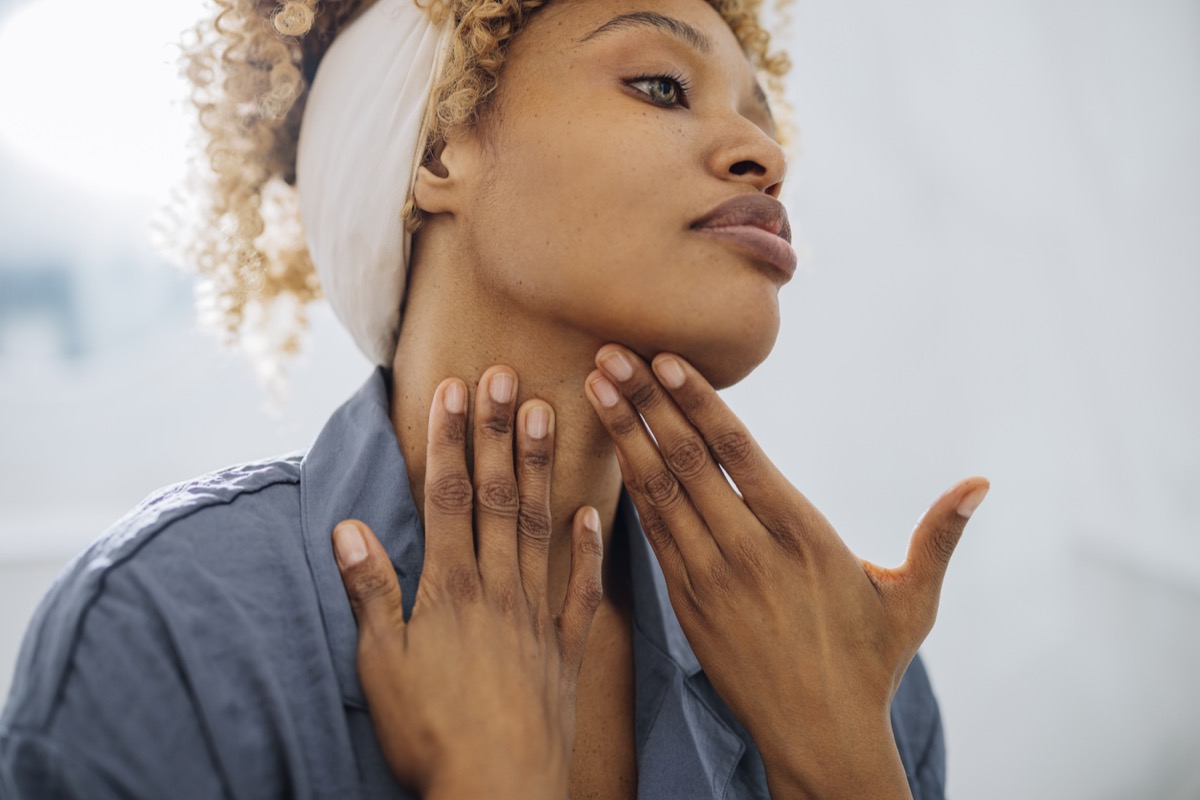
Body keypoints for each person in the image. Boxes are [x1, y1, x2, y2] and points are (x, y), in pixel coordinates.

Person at [0, 0, 988, 797]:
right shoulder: (167, 625)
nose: (764, 157)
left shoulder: (858, 677)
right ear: (438, 152)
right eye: (662, 85)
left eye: (763, 122)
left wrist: (849, 769)